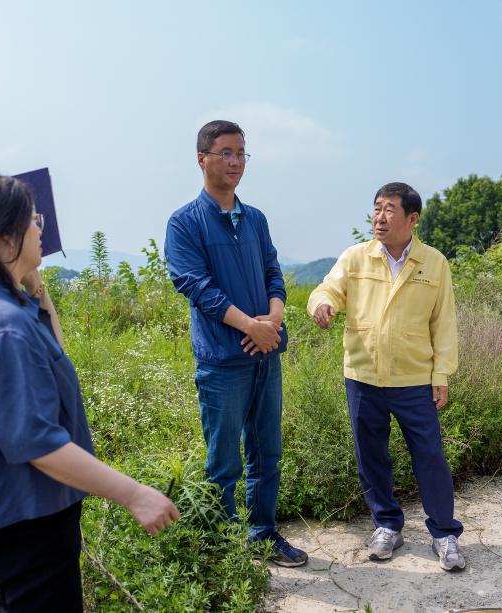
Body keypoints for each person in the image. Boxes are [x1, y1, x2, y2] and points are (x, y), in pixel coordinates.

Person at [0, 173, 180, 612]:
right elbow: (35, 441)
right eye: (33, 220)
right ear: (5, 238)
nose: (42, 228)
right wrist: (133, 493)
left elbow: (54, 351)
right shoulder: (1, 325)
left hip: (13, 514)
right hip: (25, 518)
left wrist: (31, 280)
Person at [164, 120, 307, 567]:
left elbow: (273, 272)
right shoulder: (184, 223)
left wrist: (273, 319)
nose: (235, 161)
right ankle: (225, 551)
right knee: (224, 461)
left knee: (267, 453)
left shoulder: (255, 219)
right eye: (225, 152)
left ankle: (263, 534)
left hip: (266, 354)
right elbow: (196, 286)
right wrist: (250, 326)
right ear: (201, 159)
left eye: (241, 152)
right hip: (223, 361)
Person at [307, 182, 465, 572]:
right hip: (363, 375)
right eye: (377, 208)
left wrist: (441, 373)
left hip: (414, 378)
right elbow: (328, 289)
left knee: (429, 455)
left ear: (412, 218)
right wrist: (322, 304)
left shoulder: (434, 263)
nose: (379, 217)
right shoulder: (356, 257)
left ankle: (444, 533)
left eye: (389, 209)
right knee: (371, 455)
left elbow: (443, 323)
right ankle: (387, 525)